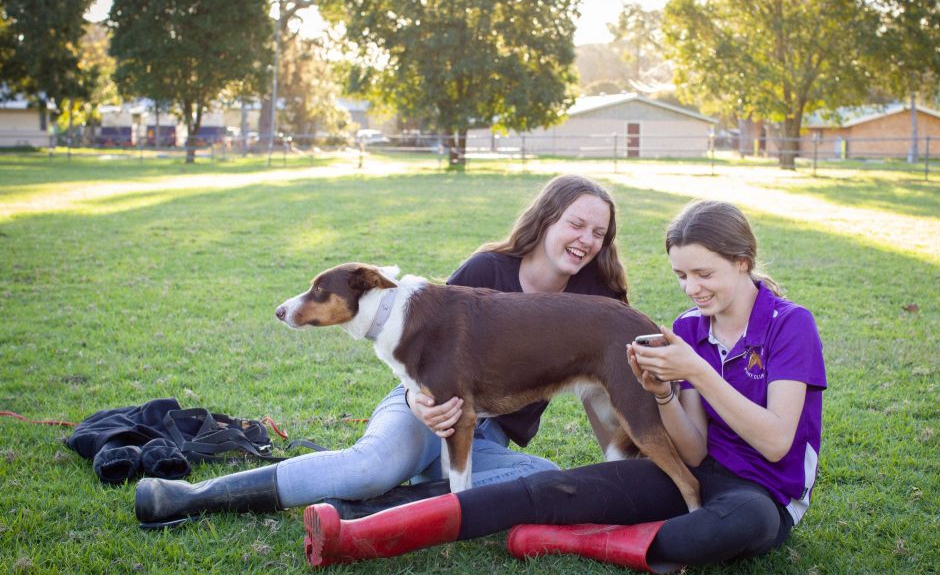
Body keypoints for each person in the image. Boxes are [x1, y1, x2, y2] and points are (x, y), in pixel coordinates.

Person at [301, 199, 827, 573]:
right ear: (546, 219)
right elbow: (694, 449)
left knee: (733, 526)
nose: (692, 289)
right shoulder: (690, 327)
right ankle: (359, 529)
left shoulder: (789, 324)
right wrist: (665, 393)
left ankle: (572, 541)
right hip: (691, 472)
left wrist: (693, 372)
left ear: (742, 262)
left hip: (760, 494)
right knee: (549, 487)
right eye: (681, 276)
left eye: (704, 274)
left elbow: (778, 442)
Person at [135, 175, 628, 527]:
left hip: (484, 434)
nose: (585, 240)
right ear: (547, 219)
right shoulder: (486, 271)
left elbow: (597, 388)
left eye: (598, 233)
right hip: (422, 403)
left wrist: (617, 459)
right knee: (369, 467)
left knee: (542, 477)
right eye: (576, 223)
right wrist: (418, 402)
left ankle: (375, 507)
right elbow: (422, 351)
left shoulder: (596, 302)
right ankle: (192, 497)